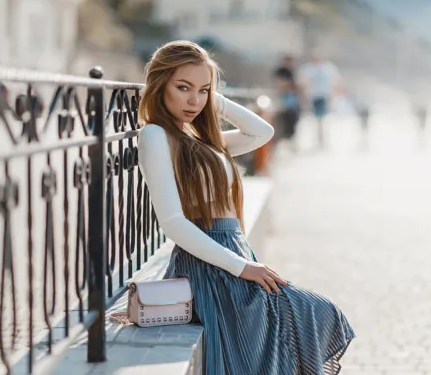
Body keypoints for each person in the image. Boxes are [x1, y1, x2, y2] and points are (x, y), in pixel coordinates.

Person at [137, 41, 355, 374]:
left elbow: (261, 133)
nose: (194, 100)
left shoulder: (199, 139)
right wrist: (241, 268)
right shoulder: (156, 135)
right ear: (160, 84)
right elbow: (173, 223)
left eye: (203, 90)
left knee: (280, 344)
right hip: (211, 265)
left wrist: (216, 100)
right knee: (313, 314)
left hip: (234, 254)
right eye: (183, 88)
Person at [297, 50, 342, 148]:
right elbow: (302, 83)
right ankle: (318, 140)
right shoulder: (308, 69)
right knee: (316, 120)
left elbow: (335, 83)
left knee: (323, 120)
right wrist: (304, 98)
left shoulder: (328, 68)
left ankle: (322, 140)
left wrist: (333, 97)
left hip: (324, 96)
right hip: (313, 97)